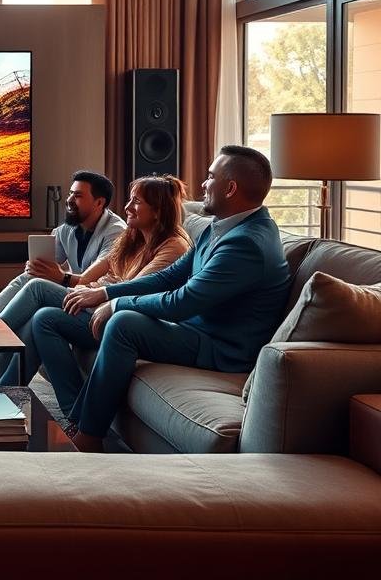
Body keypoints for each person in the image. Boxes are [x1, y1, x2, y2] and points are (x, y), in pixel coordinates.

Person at [60, 146, 290, 452]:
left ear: (231, 188)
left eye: (211, 177)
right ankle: (80, 424)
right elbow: (169, 277)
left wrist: (116, 304)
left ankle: (88, 437)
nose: (204, 184)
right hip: (199, 330)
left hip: (223, 349)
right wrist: (105, 293)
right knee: (109, 318)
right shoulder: (221, 226)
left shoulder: (246, 244)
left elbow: (182, 302)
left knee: (124, 323)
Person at [0, 170, 126, 379]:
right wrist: (37, 267)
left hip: (97, 304)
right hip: (77, 296)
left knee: (35, 287)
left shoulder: (116, 232)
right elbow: (50, 264)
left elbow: (89, 280)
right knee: (29, 280)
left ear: (99, 203)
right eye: (70, 194)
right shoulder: (69, 228)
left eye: (77, 196)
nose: (69, 200)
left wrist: (60, 277)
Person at [27, 175, 191, 410]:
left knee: (37, 289)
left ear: (158, 211)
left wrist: (92, 292)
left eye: (136, 202)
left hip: (128, 320)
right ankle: (71, 409)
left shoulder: (173, 246)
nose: (127, 207)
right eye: (129, 200)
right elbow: (100, 277)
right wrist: (88, 289)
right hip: (101, 306)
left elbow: (135, 289)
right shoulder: (133, 236)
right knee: (42, 317)